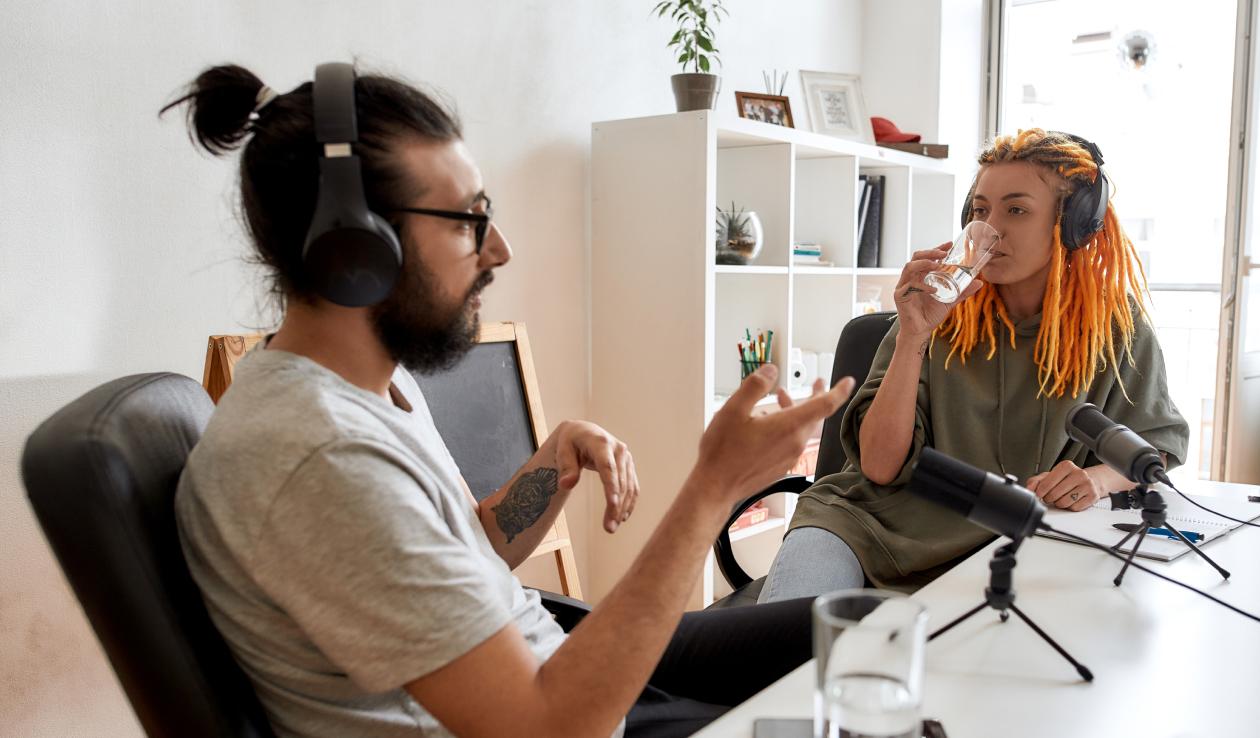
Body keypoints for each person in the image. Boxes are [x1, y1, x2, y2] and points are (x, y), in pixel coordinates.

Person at [168, 63, 856, 738]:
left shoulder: (375, 385)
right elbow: (548, 728)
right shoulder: (320, 460)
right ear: (356, 251)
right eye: (468, 221)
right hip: (563, 709)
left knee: (866, 625)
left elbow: (464, 549)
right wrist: (713, 489)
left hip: (558, 658)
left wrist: (550, 466)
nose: (499, 249)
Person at [759, 128, 1190, 601]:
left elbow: (1155, 446)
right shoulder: (937, 316)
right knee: (782, 647)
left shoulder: (1114, 328)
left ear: (1072, 225)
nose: (992, 226)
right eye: (981, 210)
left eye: (1017, 209)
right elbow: (879, 468)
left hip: (1011, 543)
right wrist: (912, 337)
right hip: (864, 527)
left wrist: (1097, 478)